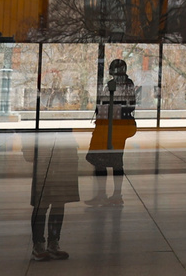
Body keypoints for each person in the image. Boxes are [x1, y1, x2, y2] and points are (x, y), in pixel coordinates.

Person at [85, 58, 137, 206]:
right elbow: (102, 102)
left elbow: (130, 105)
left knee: (116, 161)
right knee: (99, 160)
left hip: (118, 127)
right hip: (105, 126)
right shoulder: (110, 85)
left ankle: (116, 194)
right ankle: (101, 193)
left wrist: (112, 107)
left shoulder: (128, 85)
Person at [24, 130, 79, 260]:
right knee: (42, 203)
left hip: (62, 155)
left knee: (58, 202)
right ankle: (39, 244)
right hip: (47, 156)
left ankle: (52, 243)